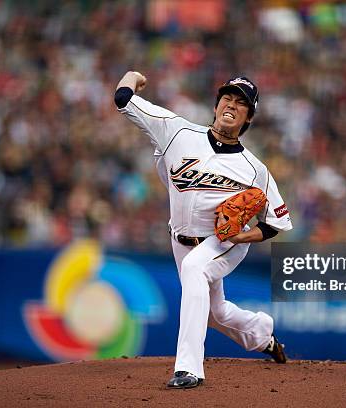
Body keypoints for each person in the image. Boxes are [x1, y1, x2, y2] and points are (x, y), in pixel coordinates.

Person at [114, 71, 293, 389]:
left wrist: (242, 236)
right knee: (215, 313)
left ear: (248, 117)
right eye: (227, 98)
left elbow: (275, 224)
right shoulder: (177, 131)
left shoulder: (255, 170)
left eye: (241, 103)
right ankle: (262, 334)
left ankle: (188, 368)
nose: (232, 105)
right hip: (179, 238)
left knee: (196, 269)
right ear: (216, 105)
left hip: (223, 241)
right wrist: (131, 76)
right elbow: (123, 100)